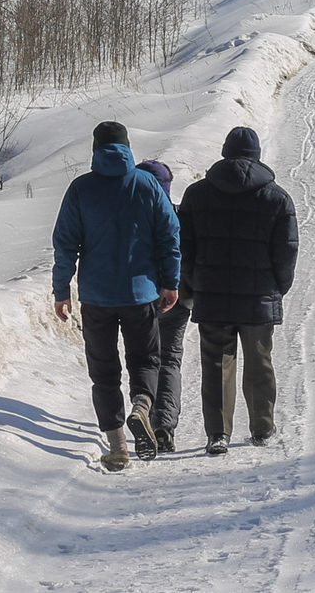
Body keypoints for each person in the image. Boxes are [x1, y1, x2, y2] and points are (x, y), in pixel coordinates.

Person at [53, 121, 181, 471]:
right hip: (141, 294)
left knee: (104, 372)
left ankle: (118, 447)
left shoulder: (81, 189)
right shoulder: (148, 185)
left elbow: (65, 244)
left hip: (96, 298)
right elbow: (169, 237)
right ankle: (142, 405)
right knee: (146, 361)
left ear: (95, 150)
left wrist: (61, 290)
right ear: (127, 147)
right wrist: (171, 283)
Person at [177, 126, 298, 456]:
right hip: (259, 297)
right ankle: (262, 426)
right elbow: (286, 251)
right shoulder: (277, 197)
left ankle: (218, 433)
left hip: (212, 296)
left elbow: (184, 249)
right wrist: (277, 289)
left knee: (217, 364)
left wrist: (193, 284)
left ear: (224, 151)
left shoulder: (196, 194)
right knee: (259, 362)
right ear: (257, 155)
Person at [136, 158, 189, 454]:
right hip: (175, 299)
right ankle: (164, 426)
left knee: (143, 359)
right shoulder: (178, 214)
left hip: (137, 298)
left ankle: (142, 410)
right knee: (169, 360)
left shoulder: (129, 217)